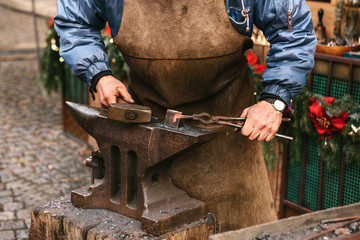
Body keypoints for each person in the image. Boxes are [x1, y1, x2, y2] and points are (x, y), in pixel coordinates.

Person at [55, 0, 317, 231]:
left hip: (227, 141)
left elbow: (293, 32)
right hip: (145, 138)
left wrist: (275, 100)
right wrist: (99, 74)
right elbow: (74, 21)